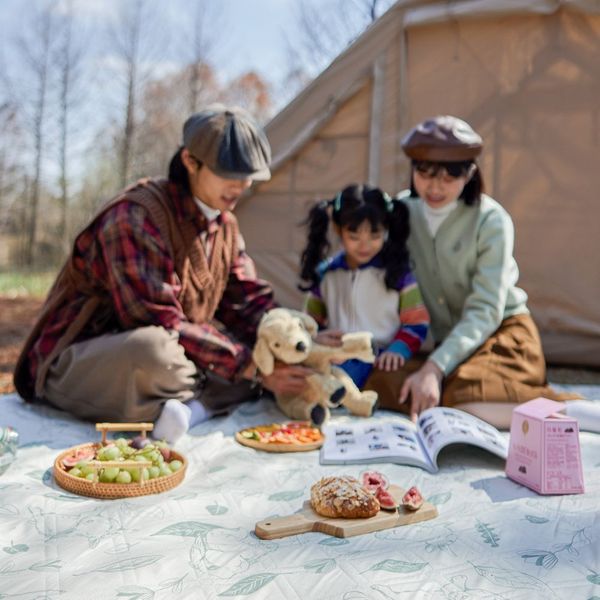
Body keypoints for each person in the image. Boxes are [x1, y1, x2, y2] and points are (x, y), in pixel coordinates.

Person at [13, 104, 313, 443]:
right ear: (190, 161)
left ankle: (189, 410)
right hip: (84, 358)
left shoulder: (225, 224)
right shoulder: (135, 216)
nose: (241, 186)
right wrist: (252, 367)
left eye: (248, 177)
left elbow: (247, 301)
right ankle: (203, 400)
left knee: (250, 350)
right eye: (230, 174)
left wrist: (297, 339)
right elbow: (156, 319)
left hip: (172, 358)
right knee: (157, 350)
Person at [365, 115, 599, 432]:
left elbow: (486, 310)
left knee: (466, 398)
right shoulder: (400, 212)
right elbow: (361, 257)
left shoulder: (492, 220)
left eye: (449, 177)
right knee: (380, 379)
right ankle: (457, 389)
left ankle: (568, 410)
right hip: (449, 343)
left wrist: (434, 367)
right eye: (424, 173)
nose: (435, 186)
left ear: (470, 173)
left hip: (501, 333)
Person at [299, 183, 430, 393]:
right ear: (338, 230)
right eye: (354, 237)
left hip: (380, 359)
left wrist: (398, 349)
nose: (364, 245)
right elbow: (309, 322)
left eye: (374, 236)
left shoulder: (397, 274)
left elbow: (417, 323)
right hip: (334, 356)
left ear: (385, 231)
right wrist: (316, 339)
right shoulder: (327, 274)